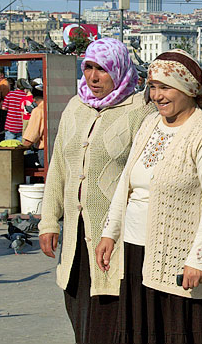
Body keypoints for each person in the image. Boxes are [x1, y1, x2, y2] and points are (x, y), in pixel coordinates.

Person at [96, 49, 202, 343]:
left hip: (178, 254)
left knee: (179, 331)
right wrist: (110, 233)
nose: (156, 96)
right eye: (153, 87)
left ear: (188, 89)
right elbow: (126, 184)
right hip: (136, 250)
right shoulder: (149, 126)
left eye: (165, 87)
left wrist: (198, 259)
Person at [38, 38, 155, 344]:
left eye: (101, 69)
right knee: (79, 312)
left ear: (118, 70)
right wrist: (49, 221)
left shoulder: (139, 110)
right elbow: (59, 167)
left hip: (115, 238)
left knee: (110, 319)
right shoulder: (75, 107)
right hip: (77, 238)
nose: (93, 76)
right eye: (88, 67)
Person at [22, 85, 45, 167]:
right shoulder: (53, 108)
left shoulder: (38, 111)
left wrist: (19, 149)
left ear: (34, 100)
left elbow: (31, 137)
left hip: (43, 153)